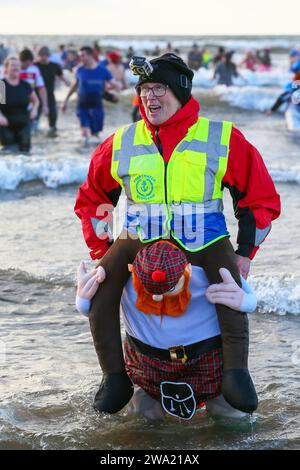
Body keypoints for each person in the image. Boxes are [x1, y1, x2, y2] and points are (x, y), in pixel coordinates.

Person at [74, 53, 280, 415]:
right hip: (139, 236)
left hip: (207, 238)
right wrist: (100, 250)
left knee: (231, 296)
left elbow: (258, 197)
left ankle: (236, 375)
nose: (149, 98)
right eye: (143, 90)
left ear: (181, 92)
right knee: (101, 290)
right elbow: (93, 199)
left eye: (158, 88)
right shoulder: (120, 141)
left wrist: (245, 253)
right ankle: (114, 377)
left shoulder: (222, 137)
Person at [76, 241, 257, 420]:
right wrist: (85, 301)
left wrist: (246, 301)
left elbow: (244, 297)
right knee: (141, 417)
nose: (157, 297)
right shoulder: (128, 252)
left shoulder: (208, 246)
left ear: (188, 270)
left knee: (231, 416)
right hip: (147, 366)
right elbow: (101, 301)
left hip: (208, 361)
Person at [62, 46, 120, 145]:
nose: (81, 58)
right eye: (80, 56)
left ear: (90, 55)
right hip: (82, 105)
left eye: (83, 55)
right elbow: (74, 86)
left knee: (95, 135)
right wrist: (65, 101)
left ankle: (93, 155)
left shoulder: (102, 70)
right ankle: (81, 154)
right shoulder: (79, 70)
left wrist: (113, 93)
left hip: (97, 105)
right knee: (85, 134)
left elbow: (117, 85)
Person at [0, 57, 39, 153]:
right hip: (6, 124)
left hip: (23, 123)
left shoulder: (25, 85)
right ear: (6, 69)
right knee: (8, 152)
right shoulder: (2, 85)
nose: (16, 67)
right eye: (12, 65)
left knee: (25, 151)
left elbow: (36, 101)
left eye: (18, 65)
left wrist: (34, 109)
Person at [35, 46, 70, 137]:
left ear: (49, 55)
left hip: (50, 94)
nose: (43, 57)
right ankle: (34, 132)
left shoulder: (54, 66)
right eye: (41, 55)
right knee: (35, 116)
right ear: (38, 55)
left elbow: (61, 76)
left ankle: (52, 132)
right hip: (36, 95)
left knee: (53, 115)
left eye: (45, 55)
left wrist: (67, 83)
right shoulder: (35, 66)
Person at [19, 49, 48, 119]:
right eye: (26, 64)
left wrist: (45, 105)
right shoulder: (12, 69)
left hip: (29, 105)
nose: (27, 66)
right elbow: (2, 86)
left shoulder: (34, 70)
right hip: (11, 106)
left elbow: (42, 88)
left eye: (29, 64)